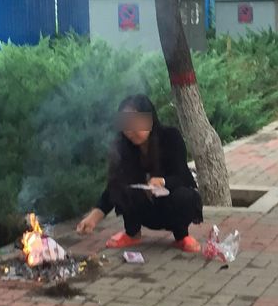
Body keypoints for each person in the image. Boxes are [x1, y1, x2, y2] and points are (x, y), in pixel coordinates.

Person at [76, 94, 203, 252]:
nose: (130, 130)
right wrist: (93, 217)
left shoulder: (171, 137)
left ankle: (182, 235)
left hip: (170, 206)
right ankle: (132, 233)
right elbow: (113, 186)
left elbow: (182, 176)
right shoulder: (123, 147)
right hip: (144, 211)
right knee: (122, 188)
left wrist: (163, 181)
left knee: (185, 196)